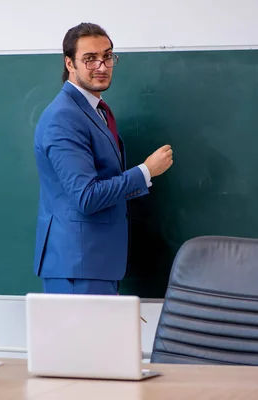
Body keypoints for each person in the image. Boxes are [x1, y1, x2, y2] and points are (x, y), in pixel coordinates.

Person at [32, 22, 173, 295]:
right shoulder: (64, 117)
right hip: (77, 267)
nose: (102, 66)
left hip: (94, 263)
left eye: (107, 56)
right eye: (90, 59)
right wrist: (146, 171)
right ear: (70, 64)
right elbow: (87, 196)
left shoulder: (96, 110)